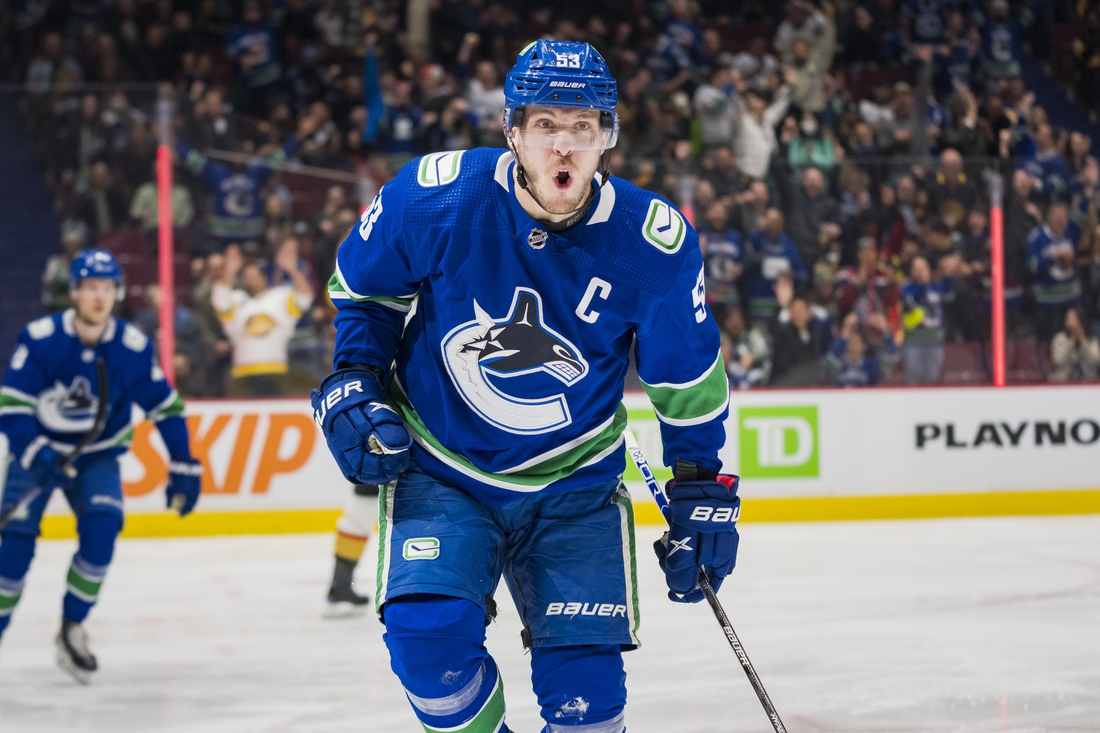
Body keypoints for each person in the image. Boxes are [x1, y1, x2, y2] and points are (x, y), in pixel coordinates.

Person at [315, 40, 737, 733]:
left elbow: (686, 380)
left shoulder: (652, 243)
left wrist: (698, 484)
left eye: (583, 127)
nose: (563, 147)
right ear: (512, 132)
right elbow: (365, 295)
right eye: (545, 126)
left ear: (609, 138)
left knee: (587, 702)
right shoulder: (434, 197)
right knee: (429, 646)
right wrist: (354, 377)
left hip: (573, 486)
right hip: (444, 468)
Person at [0, 250, 201, 683]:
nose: (98, 297)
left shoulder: (130, 347)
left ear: (116, 294)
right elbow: (11, 407)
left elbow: (165, 407)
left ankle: (72, 628)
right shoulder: (40, 339)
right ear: (73, 292)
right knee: (12, 552)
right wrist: (37, 453)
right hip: (36, 453)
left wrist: (184, 462)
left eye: (107, 288)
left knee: (102, 528)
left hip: (97, 454)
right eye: (90, 287)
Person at [211, 241, 315, 397]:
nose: (249, 280)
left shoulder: (280, 296)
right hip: (242, 372)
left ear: (264, 279)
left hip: (276, 370)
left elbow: (306, 296)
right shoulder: (236, 299)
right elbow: (219, 299)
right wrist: (230, 271)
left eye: (253, 276)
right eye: (246, 276)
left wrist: (292, 269)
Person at [1049, 307, 1100, 382]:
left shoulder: (1092, 340)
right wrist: (1071, 343)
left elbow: (1096, 361)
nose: (1068, 321)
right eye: (1067, 318)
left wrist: (1083, 342)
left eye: (1072, 318)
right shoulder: (1059, 339)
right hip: (1063, 380)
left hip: (1088, 380)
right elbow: (1058, 361)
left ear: (1080, 320)